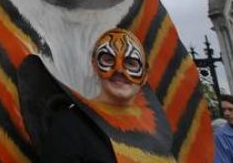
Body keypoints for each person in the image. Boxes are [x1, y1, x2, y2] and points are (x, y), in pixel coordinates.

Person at [40, 28, 151, 162]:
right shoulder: (69, 125)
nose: (119, 70)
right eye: (109, 59)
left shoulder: (154, 133)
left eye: (131, 63)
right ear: (94, 65)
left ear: (145, 75)